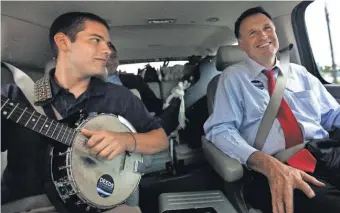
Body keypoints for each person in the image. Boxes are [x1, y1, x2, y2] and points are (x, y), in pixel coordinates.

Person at [1, 12, 168, 213]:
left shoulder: (119, 97)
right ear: (63, 42)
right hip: (32, 204)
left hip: (101, 206)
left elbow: (160, 139)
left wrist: (126, 140)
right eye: (96, 40)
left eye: (107, 43)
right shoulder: (16, 96)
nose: (107, 50)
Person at [204, 6, 340, 213]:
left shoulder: (300, 73)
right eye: (253, 32)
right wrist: (266, 164)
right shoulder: (232, 78)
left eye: (267, 28)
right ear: (242, 45)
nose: (263, 35)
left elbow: (332, 114)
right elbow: (221, 130)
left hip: (325, 151)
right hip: (277, 165)